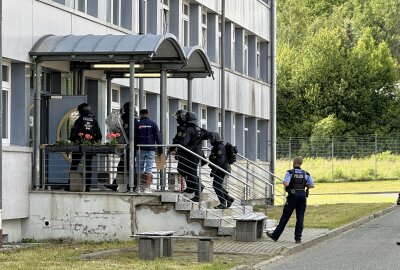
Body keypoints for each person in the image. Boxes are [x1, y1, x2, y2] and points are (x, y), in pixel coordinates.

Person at [266, 156, 314, 243]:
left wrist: (287, 183)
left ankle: (275, 235)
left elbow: (286, 183)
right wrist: (304, 185)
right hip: (302, 196)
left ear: (294, 162)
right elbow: (312, 185)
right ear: (301, 163)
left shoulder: (290, 172)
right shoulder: (306, 173)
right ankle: (298, 238)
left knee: (285, 217)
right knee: (300, 218)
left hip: (292, 196)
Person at [68, 103, 102, 192]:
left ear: (81, 111)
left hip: (78, 147)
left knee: (74, 166)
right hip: (90, 147)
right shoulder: (94, 121)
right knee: (88, 166)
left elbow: (73, 135)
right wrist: (92, 142)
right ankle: (87, 187)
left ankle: (71, 185)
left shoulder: (79, 120)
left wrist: (77, 140)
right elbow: (99, 135)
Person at [178, 111, 209, 202]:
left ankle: (197, 194)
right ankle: (194, 187)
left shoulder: (189, 130)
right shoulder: (199, 129)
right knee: (188, 171)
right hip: (197, 154)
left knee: (191, 173)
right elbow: (208, 135)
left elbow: (184, 142)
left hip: (190, 154)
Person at [136, 108, 163, 193]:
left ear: (140, 115)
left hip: (140, 149)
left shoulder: (138, 124)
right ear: (148, 114)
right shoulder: (153, 124)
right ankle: (147, 188)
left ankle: (138, 188)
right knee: (149, 169)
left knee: (139, 169)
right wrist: (160, 150)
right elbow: (158, 138)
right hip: (151, 149)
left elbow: (134, 137)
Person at [208, 132, 234, 209]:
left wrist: (215, 170)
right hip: (218, 169)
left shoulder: (220, 147)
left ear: (215, 138)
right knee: (217, 185)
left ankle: (223, 202)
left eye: (211, 139)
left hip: (221, 169)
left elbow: (220, 160)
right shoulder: (216, 147)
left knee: (216, 185)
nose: (210, 141)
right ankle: (229, 199)